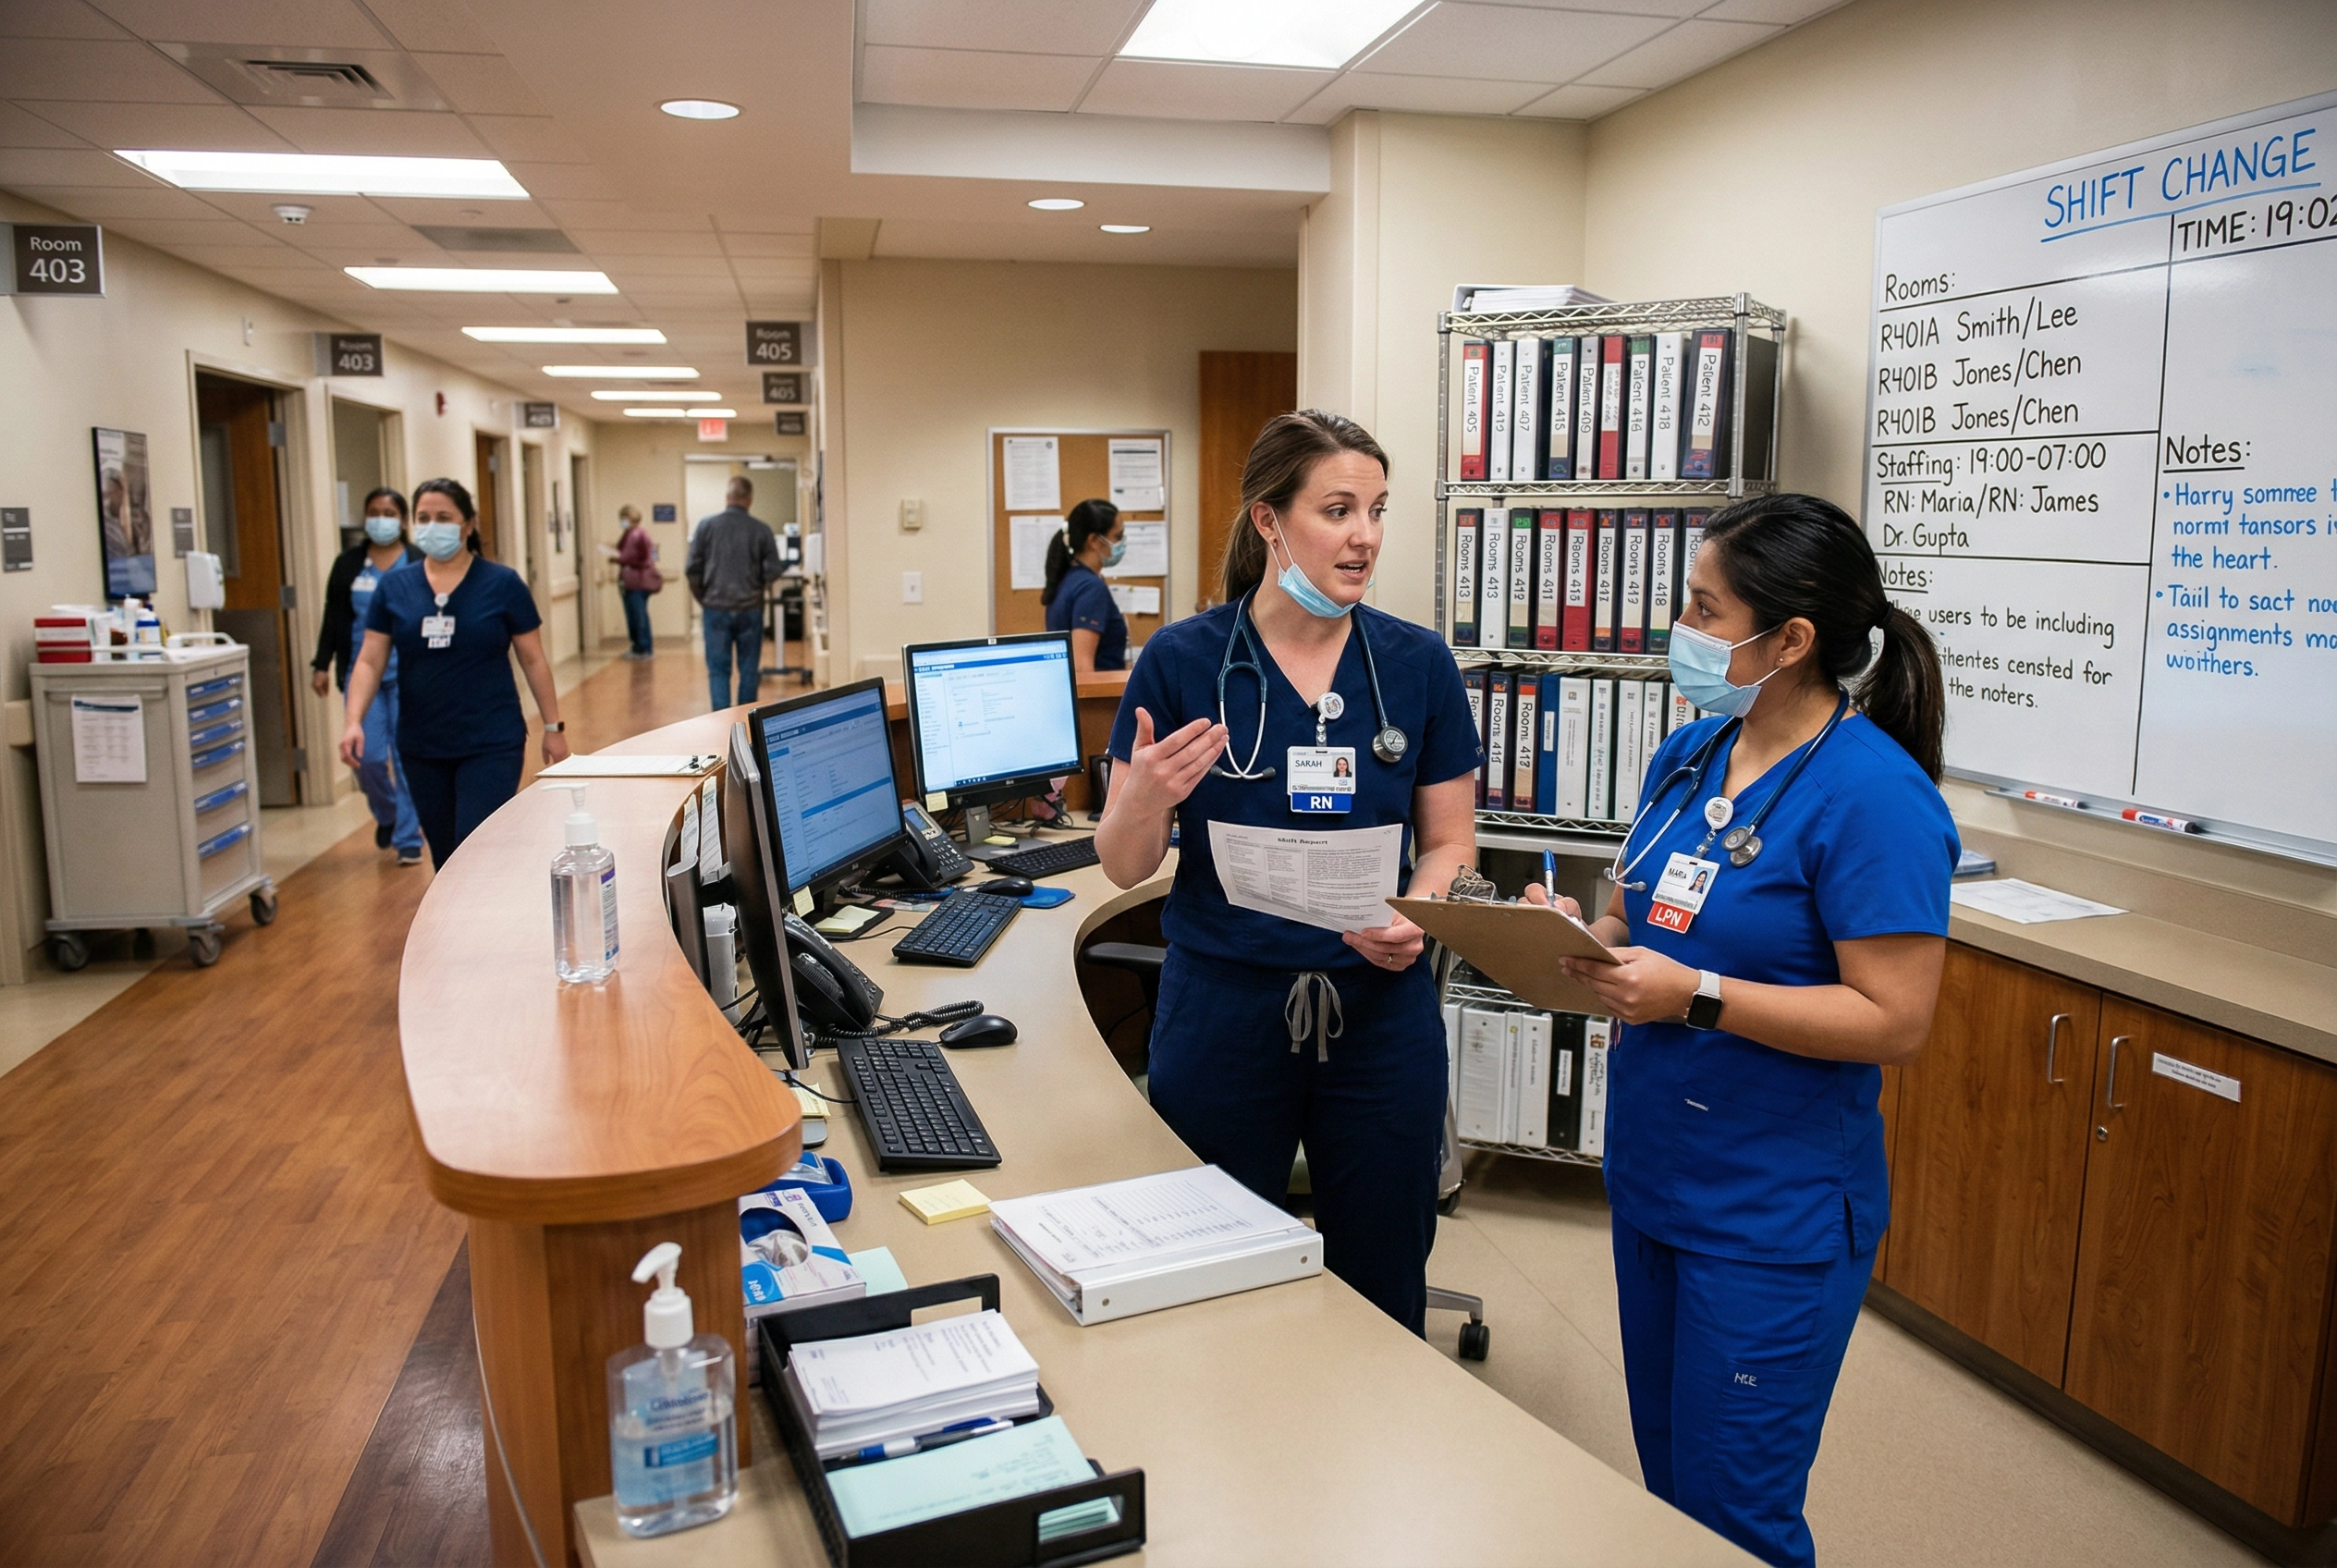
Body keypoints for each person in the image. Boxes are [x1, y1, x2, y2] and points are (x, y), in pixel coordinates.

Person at [1525, 493, 1955, 1568]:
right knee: (1669, 1494)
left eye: (1703, 609)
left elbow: (1894, 1018)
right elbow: (1633, 917)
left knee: (1736, 1519)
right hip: (1659, 1181)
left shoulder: (1874, 798)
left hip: (1772, 1217)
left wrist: (1696, 995)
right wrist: (1571, 936)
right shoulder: (1688, 754)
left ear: (1792, 639)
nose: (1681, 628)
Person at [1096, 410, 1482, 1334]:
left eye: (1377, 511)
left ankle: (1369, 1458)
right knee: (1212, 1274)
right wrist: (1144, 798)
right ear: (1268, 520)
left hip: (1378, 1014)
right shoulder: (1181, 662)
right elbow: (1122, 865)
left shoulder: (1416, 664)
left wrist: (1420, 913)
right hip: (1223, 1011)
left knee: (1383, 1276)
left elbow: (1450, 843)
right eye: (1337, 509)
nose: (1364, 536)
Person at [339, 478, 571, 869]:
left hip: (491, 739)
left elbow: (533, 659)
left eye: (444, 517)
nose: (433, 526)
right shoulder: (395, 587)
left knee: (475, 845)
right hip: (422, 743)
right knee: (445, 855)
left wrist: (553, 728)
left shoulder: (502, 584)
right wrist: (353, 721)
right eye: (423, 518)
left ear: (467, 525)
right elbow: (369, 660)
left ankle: (488, 926)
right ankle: (455, 929)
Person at [312, 486, 424, 864]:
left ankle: (408, 838)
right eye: (374, 511)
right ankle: (389, 815)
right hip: (361, 673)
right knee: (369, 756)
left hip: (409, 673)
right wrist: (320, 663)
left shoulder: (417, 560)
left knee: (407, 756)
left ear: (403, 519)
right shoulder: (348, 564)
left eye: (389, 512)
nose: (381, 518)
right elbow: (335, 615)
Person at [687, 476, 783, 710]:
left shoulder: (706, 526)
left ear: (727, 498)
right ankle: (745, 725)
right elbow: (773, 571)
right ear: (749, 500)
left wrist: (705, 599)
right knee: (749, 671)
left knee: (718, 671)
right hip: (750, 609)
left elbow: (692, 569)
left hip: (715, 609)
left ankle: (722, 726)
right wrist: (755, 585)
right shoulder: (761, 530)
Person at [1042, 498, 1129, 676]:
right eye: (1118, 536)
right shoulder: (1090, 588)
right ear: (1094, 541)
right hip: (1095, 700)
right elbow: (1082, 667)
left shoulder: (1070, 578)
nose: (1122, 542)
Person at [615, 504, 662, 659]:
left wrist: (621, 559)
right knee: (632, 616)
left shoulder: (640, 535)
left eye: (624, 518)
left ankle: (644, 648)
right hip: (629, 582)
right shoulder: (628, 534)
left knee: (639, 615)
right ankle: (636, 646)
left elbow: (642, 558)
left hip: (639, 583)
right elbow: (622, 549)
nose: (622, 521)